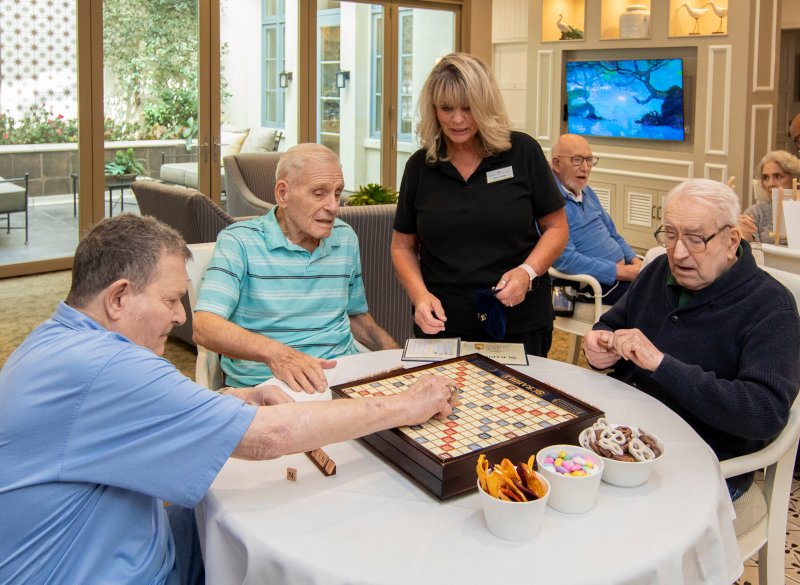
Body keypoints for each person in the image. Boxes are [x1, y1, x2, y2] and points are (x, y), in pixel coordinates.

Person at [0, 214, 457, 585]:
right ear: (119, 297)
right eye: (173, 299)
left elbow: (123, 416)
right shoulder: (108, 367)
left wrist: (230, 395)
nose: (181, 316)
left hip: (128, 534)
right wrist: (406, 404)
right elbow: (269, 438)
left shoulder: (58, 339)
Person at [582, 178, 800, 500]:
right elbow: (611, 325)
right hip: (623, 434)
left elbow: (764, 413)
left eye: (696, 239)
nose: (679, 253)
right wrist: (599, 345)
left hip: (705, 458)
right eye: (670, 235)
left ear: (731, 241)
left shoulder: (771, 306)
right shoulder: (658, 270)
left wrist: (661, 365)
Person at [391, 52, 568, 357]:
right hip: (441, 324)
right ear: (434, 109)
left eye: (468, 108)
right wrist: (419, 297)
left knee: (520, 405)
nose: (457, 120)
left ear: (486, 106)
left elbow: (557, 227)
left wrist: (527, 272)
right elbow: (402, 246)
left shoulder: (522, 152)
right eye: (447, 108)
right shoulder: (420, 166)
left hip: (519, 321)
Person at [193, 143, 399, 393]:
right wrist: (280, 355)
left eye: (337, 193)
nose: (333, 206)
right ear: (283, 193)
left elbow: (355, 315)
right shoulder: (239, 241)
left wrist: (397, 357)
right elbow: (205, 326)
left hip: (342, 377)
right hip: (268, 385)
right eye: (319, 193)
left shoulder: (345, 238)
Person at [550, 133, 641, 304]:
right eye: (577, 159)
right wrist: (623, 272)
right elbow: (566, 261)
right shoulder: (550, 202)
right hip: (587, 286)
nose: (585, 167)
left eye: (589, 159)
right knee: (652, 296)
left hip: (618, 274)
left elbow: (614, 234)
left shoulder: (587, 192)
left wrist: (635, 260)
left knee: (663, 270)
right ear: (557, 164)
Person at [739, 149, 800, 244]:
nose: (770, 183)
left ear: (794, 178)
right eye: (766, 178)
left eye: (778, 176)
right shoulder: (755, 213)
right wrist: (746, 238)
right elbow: (753, 255)